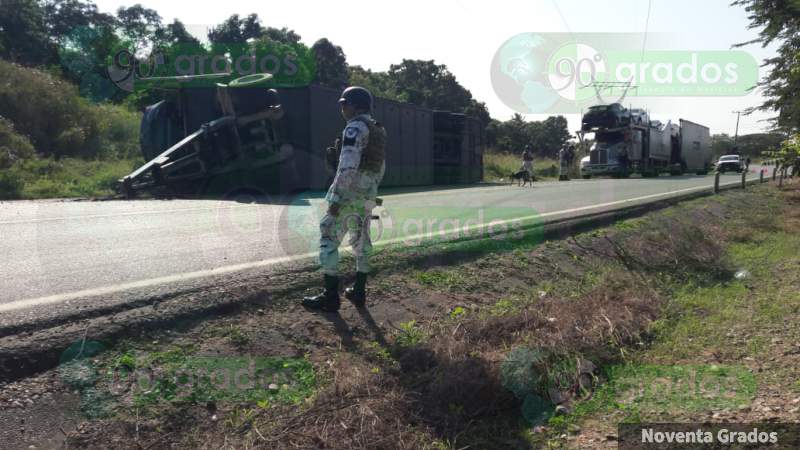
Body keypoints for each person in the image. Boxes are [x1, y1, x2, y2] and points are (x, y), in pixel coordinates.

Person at [302, 86, 386, 312]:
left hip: (348, 193)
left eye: (344, 103)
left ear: (354, 105)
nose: (342, 108)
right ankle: (359, 292)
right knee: (361, 240)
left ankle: (330, 297)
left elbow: (347, 167)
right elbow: (380, 167)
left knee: (328, 234)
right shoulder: (377, 129)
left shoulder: (354, 128)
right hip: (367, 195)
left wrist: (337, 199)